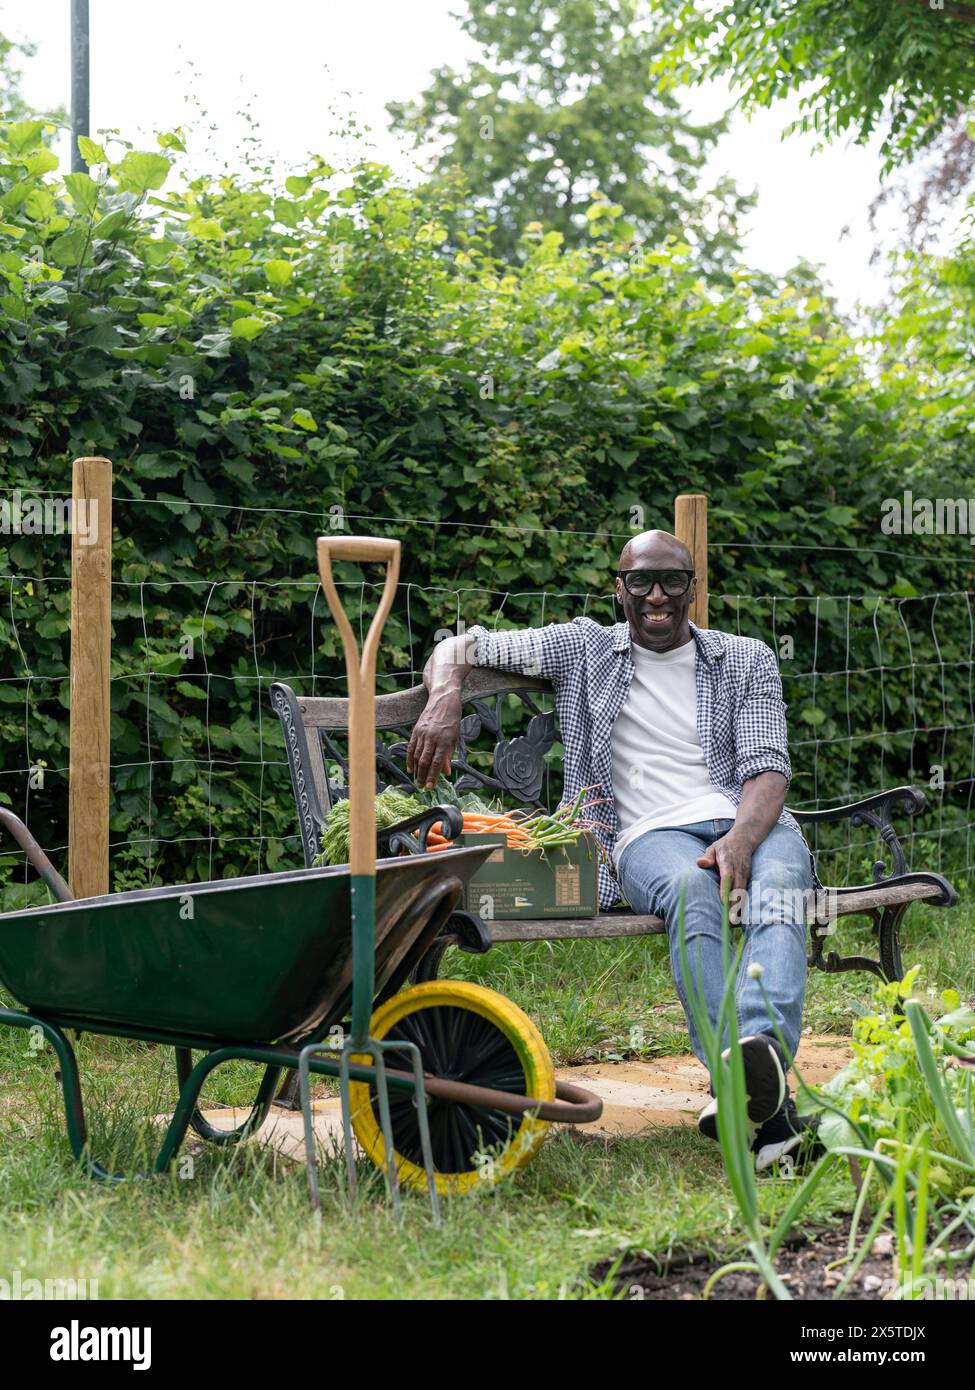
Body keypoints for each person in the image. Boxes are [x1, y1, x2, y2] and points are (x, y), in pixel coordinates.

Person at [406, 529, 824, 1173]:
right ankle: (762, 1099)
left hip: (748, 820)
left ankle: (752, 1067)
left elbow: (768, 765)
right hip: (645, 836)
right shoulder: (584, 648)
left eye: (672, 581)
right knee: (691, 891)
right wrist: (444, 696)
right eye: (641, 581)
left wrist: (743, 838)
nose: (657, 594)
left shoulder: (746, 657)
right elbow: (461, 645)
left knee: (781, 891)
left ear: (693, 587)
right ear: (619, 588)